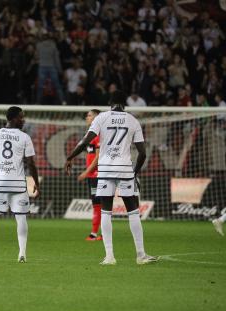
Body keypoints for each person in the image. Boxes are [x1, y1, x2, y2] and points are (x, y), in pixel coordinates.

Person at [65, 90, 158, 265]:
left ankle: (109, 256)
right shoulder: (133, 120)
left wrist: (70, 157)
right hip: (124, 170)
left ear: (110, 102)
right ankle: (140, 255)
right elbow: (143, 153)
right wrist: (134, 172)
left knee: (106, 211)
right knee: (133, 212)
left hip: (105, 170)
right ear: (125, 104)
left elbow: (86, 141)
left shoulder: (101, 118)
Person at [0, 106, 40, 263]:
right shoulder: (25, 137)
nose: (23, 120)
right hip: (18, 184)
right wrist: (36, 182)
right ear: (13, 119)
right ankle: (22, 254)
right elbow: (31, 163)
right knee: (21, 218)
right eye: (21, 117)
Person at [77, 109, 102, 241]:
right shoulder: (90, 134)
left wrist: (86, 172)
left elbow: (98, 157)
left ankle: (98, 234)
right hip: (92, 175)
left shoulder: (98, 134)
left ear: (96, 118)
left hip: (98, 174)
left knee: (101, 204)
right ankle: (95, 233)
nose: (87, 117)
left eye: (89, 115)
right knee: (97, 204)